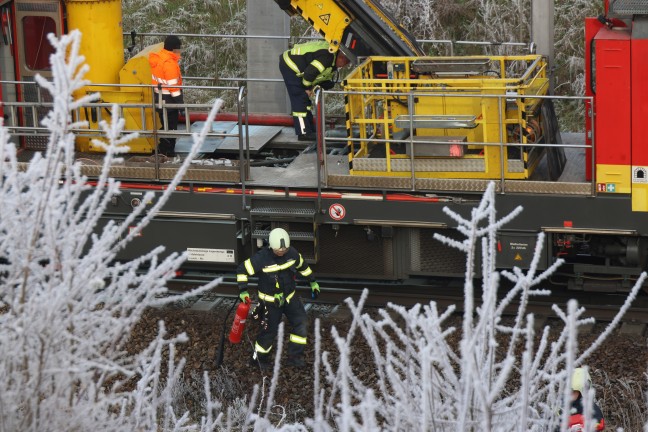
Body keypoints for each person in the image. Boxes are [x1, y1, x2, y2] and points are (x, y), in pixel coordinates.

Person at [236, 227, 320, 369]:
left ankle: (295, 357)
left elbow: (303, 266)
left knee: (302, 323)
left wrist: (312, 281)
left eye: (284, 249)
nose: (281, 252)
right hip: (269, 302)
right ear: (271, 246)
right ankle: (259, 360)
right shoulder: (261, 258)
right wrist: (243, 291)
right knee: (269, 332)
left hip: (289, 298)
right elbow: (242, 270)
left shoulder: (292, 253)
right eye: (278, 250)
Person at [279, 40, 350, 141]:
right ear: (340, 57)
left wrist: (323, 85)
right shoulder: (327, 57)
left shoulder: (332, 59)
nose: (345, 66)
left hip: (298, 66)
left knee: (305, 101)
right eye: (346, 62)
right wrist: (307, 88)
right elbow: (310, 73)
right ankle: (303, 133)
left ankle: (309, 129)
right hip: (291, 65)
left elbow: (322, 77)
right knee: (300, 98)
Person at [149, 35, 184, 157]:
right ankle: (167, 152)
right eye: (179, 48)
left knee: (165, 125)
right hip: (169, 100)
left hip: (159, 98)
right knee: (171, 127)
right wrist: (181, 105)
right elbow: (173, 88)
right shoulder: (169, 63)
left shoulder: (159, 58)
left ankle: (163, 149)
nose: (179, 51)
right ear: (174, 49)